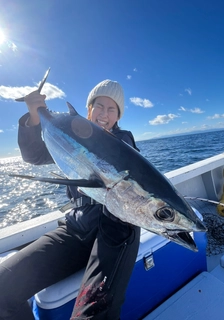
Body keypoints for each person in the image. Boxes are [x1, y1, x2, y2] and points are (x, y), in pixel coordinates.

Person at [0, 80, 141, 320]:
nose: (104, 114)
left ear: (118, 116)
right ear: (89, 109)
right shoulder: (67, 139)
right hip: (76, 228)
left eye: (112, 109)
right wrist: (34, 116)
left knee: (93, 314)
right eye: (99, 106)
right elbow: (34, 156)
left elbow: (124, 158)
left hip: (115, 226)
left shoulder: (123, 141)